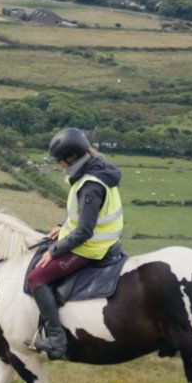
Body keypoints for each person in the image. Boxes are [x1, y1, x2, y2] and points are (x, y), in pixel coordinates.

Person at [25, 126, 124, 360]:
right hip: (103, 238)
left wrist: (55, 250)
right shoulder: (97, 169)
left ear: (71, 158)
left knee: (36, 278)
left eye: (60, 161)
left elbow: (85, 231)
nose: (59, 165)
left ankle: (57, 341)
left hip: (92, 247)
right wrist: (62, 226)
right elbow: (83, 215)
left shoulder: (91, 185)